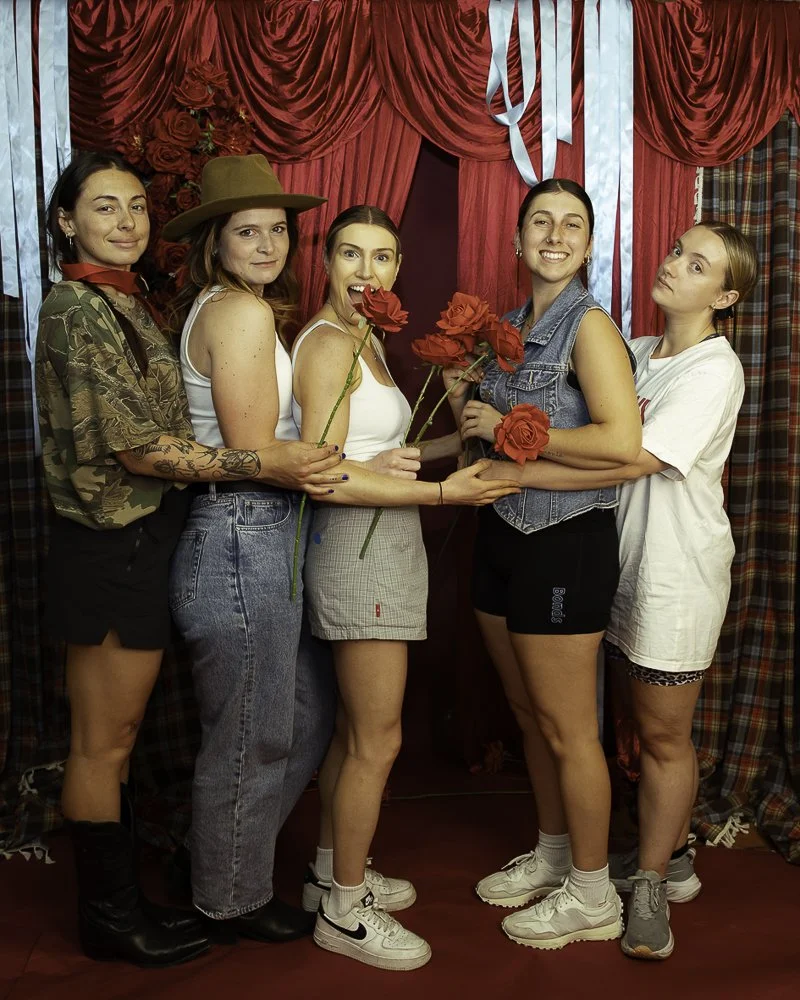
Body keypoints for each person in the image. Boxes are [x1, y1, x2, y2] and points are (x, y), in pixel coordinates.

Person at [36, 151, 342, 968]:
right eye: (105, 208)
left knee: (133, 734)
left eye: (136, 206)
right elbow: (139, 449)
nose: (127, 222)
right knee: (109, 741)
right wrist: (267, 463)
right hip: (109, 545)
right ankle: (115, 916)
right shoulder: (74, 308)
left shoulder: (131, 307)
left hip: (151, 540)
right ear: (66, 220)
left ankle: (160, 890)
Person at [478, 222, 757, 960]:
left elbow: (628, 454)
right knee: (590, 724)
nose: (675, 267)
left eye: (698, 266)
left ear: (724, 296)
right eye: (676, 252)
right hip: (610, 563)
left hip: (673, 577)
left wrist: (517, 454)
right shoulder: (633, 352)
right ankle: (601, 855)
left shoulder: (712, 369)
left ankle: (656, 879)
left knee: (663, 736)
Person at [291, 205, 522, 971]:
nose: (368, 272)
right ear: (324, 261)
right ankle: (345, 914)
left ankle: (331, 874)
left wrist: (456, 443)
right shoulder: (327, 344)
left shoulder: (369, 343)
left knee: (354, 732)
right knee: (377, 738)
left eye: (383, 257)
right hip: (361, 553)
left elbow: (378, 452)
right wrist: (443, 497)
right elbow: (323, 473)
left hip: (382, 542)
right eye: (351, 254)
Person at [451, 178, 642, 951]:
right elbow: (479, 433)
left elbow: (620, 444)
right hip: (501, 534)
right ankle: (557, 851)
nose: (555, 235)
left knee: (571, 729)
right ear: (518, 238)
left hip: (565, 541)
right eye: (540, 221)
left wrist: (512, 433)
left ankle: (593, 896)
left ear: (590, 245)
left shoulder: (586, 328)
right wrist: (453, 424)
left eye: (572, 225)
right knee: (530, 715)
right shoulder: (507, 326)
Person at [161, 154, 339, 943]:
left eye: (277, 230)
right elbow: (257, 449)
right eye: (246, 231)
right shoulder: (240, 314)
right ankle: (228, 897)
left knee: (301, 716)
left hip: (256, 532)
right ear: (215, 243)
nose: (266, 244)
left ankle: (219, 854)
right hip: (240, 531)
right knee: (251, 731)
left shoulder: (231, 308)